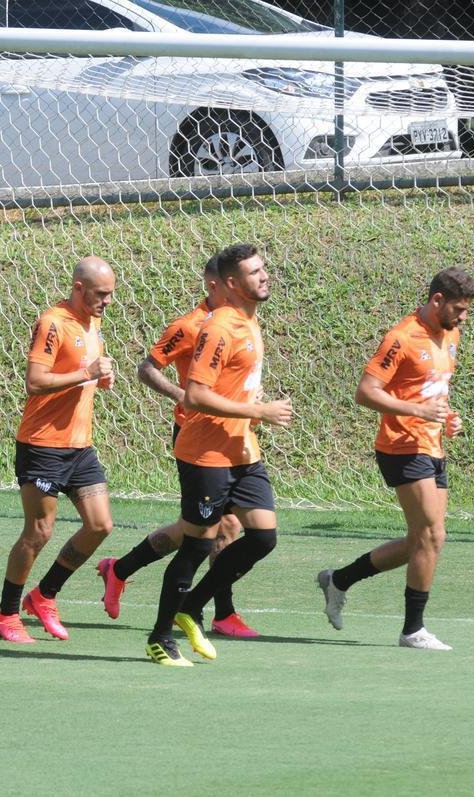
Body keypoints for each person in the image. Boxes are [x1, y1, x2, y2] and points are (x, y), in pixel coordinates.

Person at [144, 243, 292, 666]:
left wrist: (250, 403)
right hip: (206, 453)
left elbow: (230, 385)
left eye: (263, 268)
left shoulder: (250, 320)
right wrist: (258, 409)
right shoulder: (220, 326)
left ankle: (192, 607)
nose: (263, 276)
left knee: (263, 537)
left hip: (243, 449)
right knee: (195, 547)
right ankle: (159, 637)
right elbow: (195, 395)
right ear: (231, 283)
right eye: (253, 272)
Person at [96, 254, 256, 638]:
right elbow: (147, 368)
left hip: (233, 436)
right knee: (222, 527)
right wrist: (180, 395)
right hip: (198, 439)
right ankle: (220, 613)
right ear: (216, 286)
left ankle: (120, 569)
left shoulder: (242, 322)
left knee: (200, 529)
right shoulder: (190, 326)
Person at [318, 268, 474, 651]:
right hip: (401, 446)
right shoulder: (401, 338)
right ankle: (412, 630)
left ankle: (339, 579)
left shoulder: (450, 335)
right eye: (458, 308)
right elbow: (366, 392)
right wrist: (417, 412)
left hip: (432, 444)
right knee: (431, 536)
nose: (463, 317)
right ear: (436, 300)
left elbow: (431, 391)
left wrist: (446, 417)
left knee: (422, 541)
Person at [0, 256, 116, 644]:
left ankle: (44, 595)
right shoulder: (53, 322)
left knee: (100, 525)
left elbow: (88, 368)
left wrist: (101, 377)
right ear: (79, 288)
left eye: (111, 295)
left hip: (80, 447)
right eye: (100, 294)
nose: (107, 302)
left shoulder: (93, 320)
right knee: (38, 532)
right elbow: (35, 381)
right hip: (42, 445)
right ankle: (6, 614)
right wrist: (86, 374)